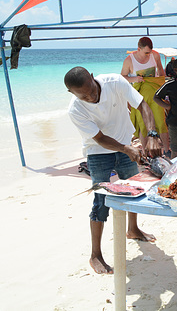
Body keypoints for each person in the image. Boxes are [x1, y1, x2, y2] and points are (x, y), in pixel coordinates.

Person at [65, 67, 157, 274]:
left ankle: (132, 229)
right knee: (100, 200)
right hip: (98, 151)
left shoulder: (115, 82)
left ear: (92, 76)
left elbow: (142, 104)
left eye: (91, 90)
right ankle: (95, 254)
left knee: (134, 190)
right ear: (72, 94)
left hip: (125, 142)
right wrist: (126, 149)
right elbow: (99, 138)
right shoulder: (75, 109)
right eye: (84, 96)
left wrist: (151, 133)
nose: (91, 97)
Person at [121, 37, 169, 156]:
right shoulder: (129, 60)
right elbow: (122, 77)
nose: (149, 55)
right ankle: (145, 152)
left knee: (161, 122)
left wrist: (163, 86)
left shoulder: (155, 55)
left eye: (150, 52)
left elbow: (161, 71)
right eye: (146, 52)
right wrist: (134, 79)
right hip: (139, 95)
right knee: (143, 124)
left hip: (155, 93)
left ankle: (167, 150)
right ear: (138, 49)